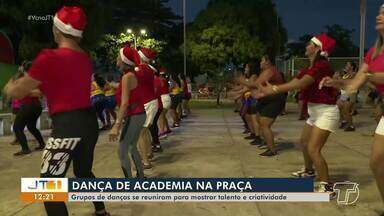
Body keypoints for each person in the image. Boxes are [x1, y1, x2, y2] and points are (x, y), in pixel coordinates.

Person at [3, 6, 109, 215]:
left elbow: (18, 91)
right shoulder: (84, 58)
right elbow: (49, 88)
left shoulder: (49, 57)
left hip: (67, 125)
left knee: (49, 187)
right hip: (88, 123)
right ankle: (101, 211)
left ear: (57, 30)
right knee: (83, 172)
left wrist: (9, 86)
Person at [256, 33, 337, 193]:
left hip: (326, 111)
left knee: (314, 149)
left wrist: (274, 89)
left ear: (317, 49)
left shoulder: (322, 66)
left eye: (309, 44)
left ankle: (327, 186)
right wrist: (271, 90)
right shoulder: (310, 67)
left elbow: (302, 83)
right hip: (315, 111)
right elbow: (294, 81)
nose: (306, 46)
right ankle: (308, 171)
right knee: (304, 143)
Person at [320, 4, 384, 203]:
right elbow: (357, 81)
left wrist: (370, 76)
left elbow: (373, 77)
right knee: (376, 163)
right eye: (380, 11)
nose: (379, 16)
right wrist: (336, 83)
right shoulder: (374, 51)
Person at [239, 54, 286, 156]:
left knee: (264, 124)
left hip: (274, 101)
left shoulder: (270, 71)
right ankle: (266, 142)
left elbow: (256, 84)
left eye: (262, 61)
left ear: (267, 61)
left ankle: (272, 150)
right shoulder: (265, 71)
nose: (260, 63)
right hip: (266, 100)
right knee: (259, 120)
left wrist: (242, 81)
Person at [109, 45, 145, 178]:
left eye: (118, 57)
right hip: (139, 114)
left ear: (124, 60)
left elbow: (124, 103)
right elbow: (128, 90)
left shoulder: (126, 77)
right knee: (131, 146)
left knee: (122, 150)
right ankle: (140, 176)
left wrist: (116, 125)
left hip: (134, 115)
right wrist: (113, 86)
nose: (116, 59)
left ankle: (130, 181)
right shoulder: (130, 75)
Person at [11, 62, 46, 156]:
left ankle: (25, 149)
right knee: (31, 126)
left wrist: (26, 91)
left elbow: (40, 93)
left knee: (17, 127)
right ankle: (42, 144)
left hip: (29, 106)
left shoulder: (28, 78)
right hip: (36, 107)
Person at [136, 47, 159, 169]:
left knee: (141, 133)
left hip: (147, 103)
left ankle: (145, 161)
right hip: (151, 102)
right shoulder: (149, 69)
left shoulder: (140, 69)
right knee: (145, 131)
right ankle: (148, 153)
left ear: (141, 57)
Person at [337, 61, 358, 131]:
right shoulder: (345, 74)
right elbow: (341, 84)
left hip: (351, 93)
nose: (346, 66)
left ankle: (351, 125)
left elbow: (347, 83)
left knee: (346, 109)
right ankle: (344, 121)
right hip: (344, 93)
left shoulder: (354, 74)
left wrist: (340, 80)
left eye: (348, 65)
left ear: (351, 67)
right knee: (339, 106)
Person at [158, 67, 172, 138]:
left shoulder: (161, 80)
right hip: (167, 97)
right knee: (163, 115)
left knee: (161, 116)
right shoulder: (166, 80)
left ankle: (162, 132)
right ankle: (167, 129)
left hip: (163, 98)